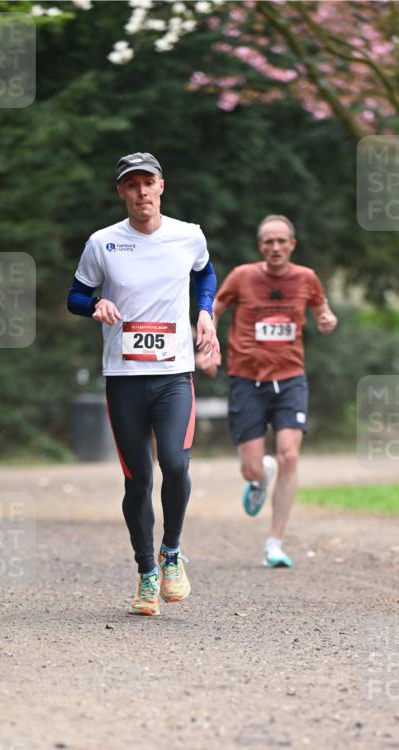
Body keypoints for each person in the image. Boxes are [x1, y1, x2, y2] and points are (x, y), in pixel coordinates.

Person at [67, 152, 220, 617]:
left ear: (161, 186)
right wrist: (94, 306)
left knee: (174, 463)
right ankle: (145, 573)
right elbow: (75, 294)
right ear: (121, 192)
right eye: (131, 185)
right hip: (124, 378)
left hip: (174, 373)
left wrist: (206, 310)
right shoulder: (103, 243)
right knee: (138, 480)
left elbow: (205, 273)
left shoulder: (188, 235)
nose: (141, 193)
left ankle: (171, 553)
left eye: (147, 183)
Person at [201, 214, 337, 568]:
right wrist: (208, 345)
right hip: (246, 379)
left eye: (282, 241)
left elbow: (323, 311)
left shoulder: (306, 278)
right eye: (268, 242)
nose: (275, 248)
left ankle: (274, 542)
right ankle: (260, 475)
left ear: (292, 245)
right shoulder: (243, 276)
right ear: (260, 247)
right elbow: (213, 309)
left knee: (290, 455)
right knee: (249, 469)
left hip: (291, 377)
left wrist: (326, 320)